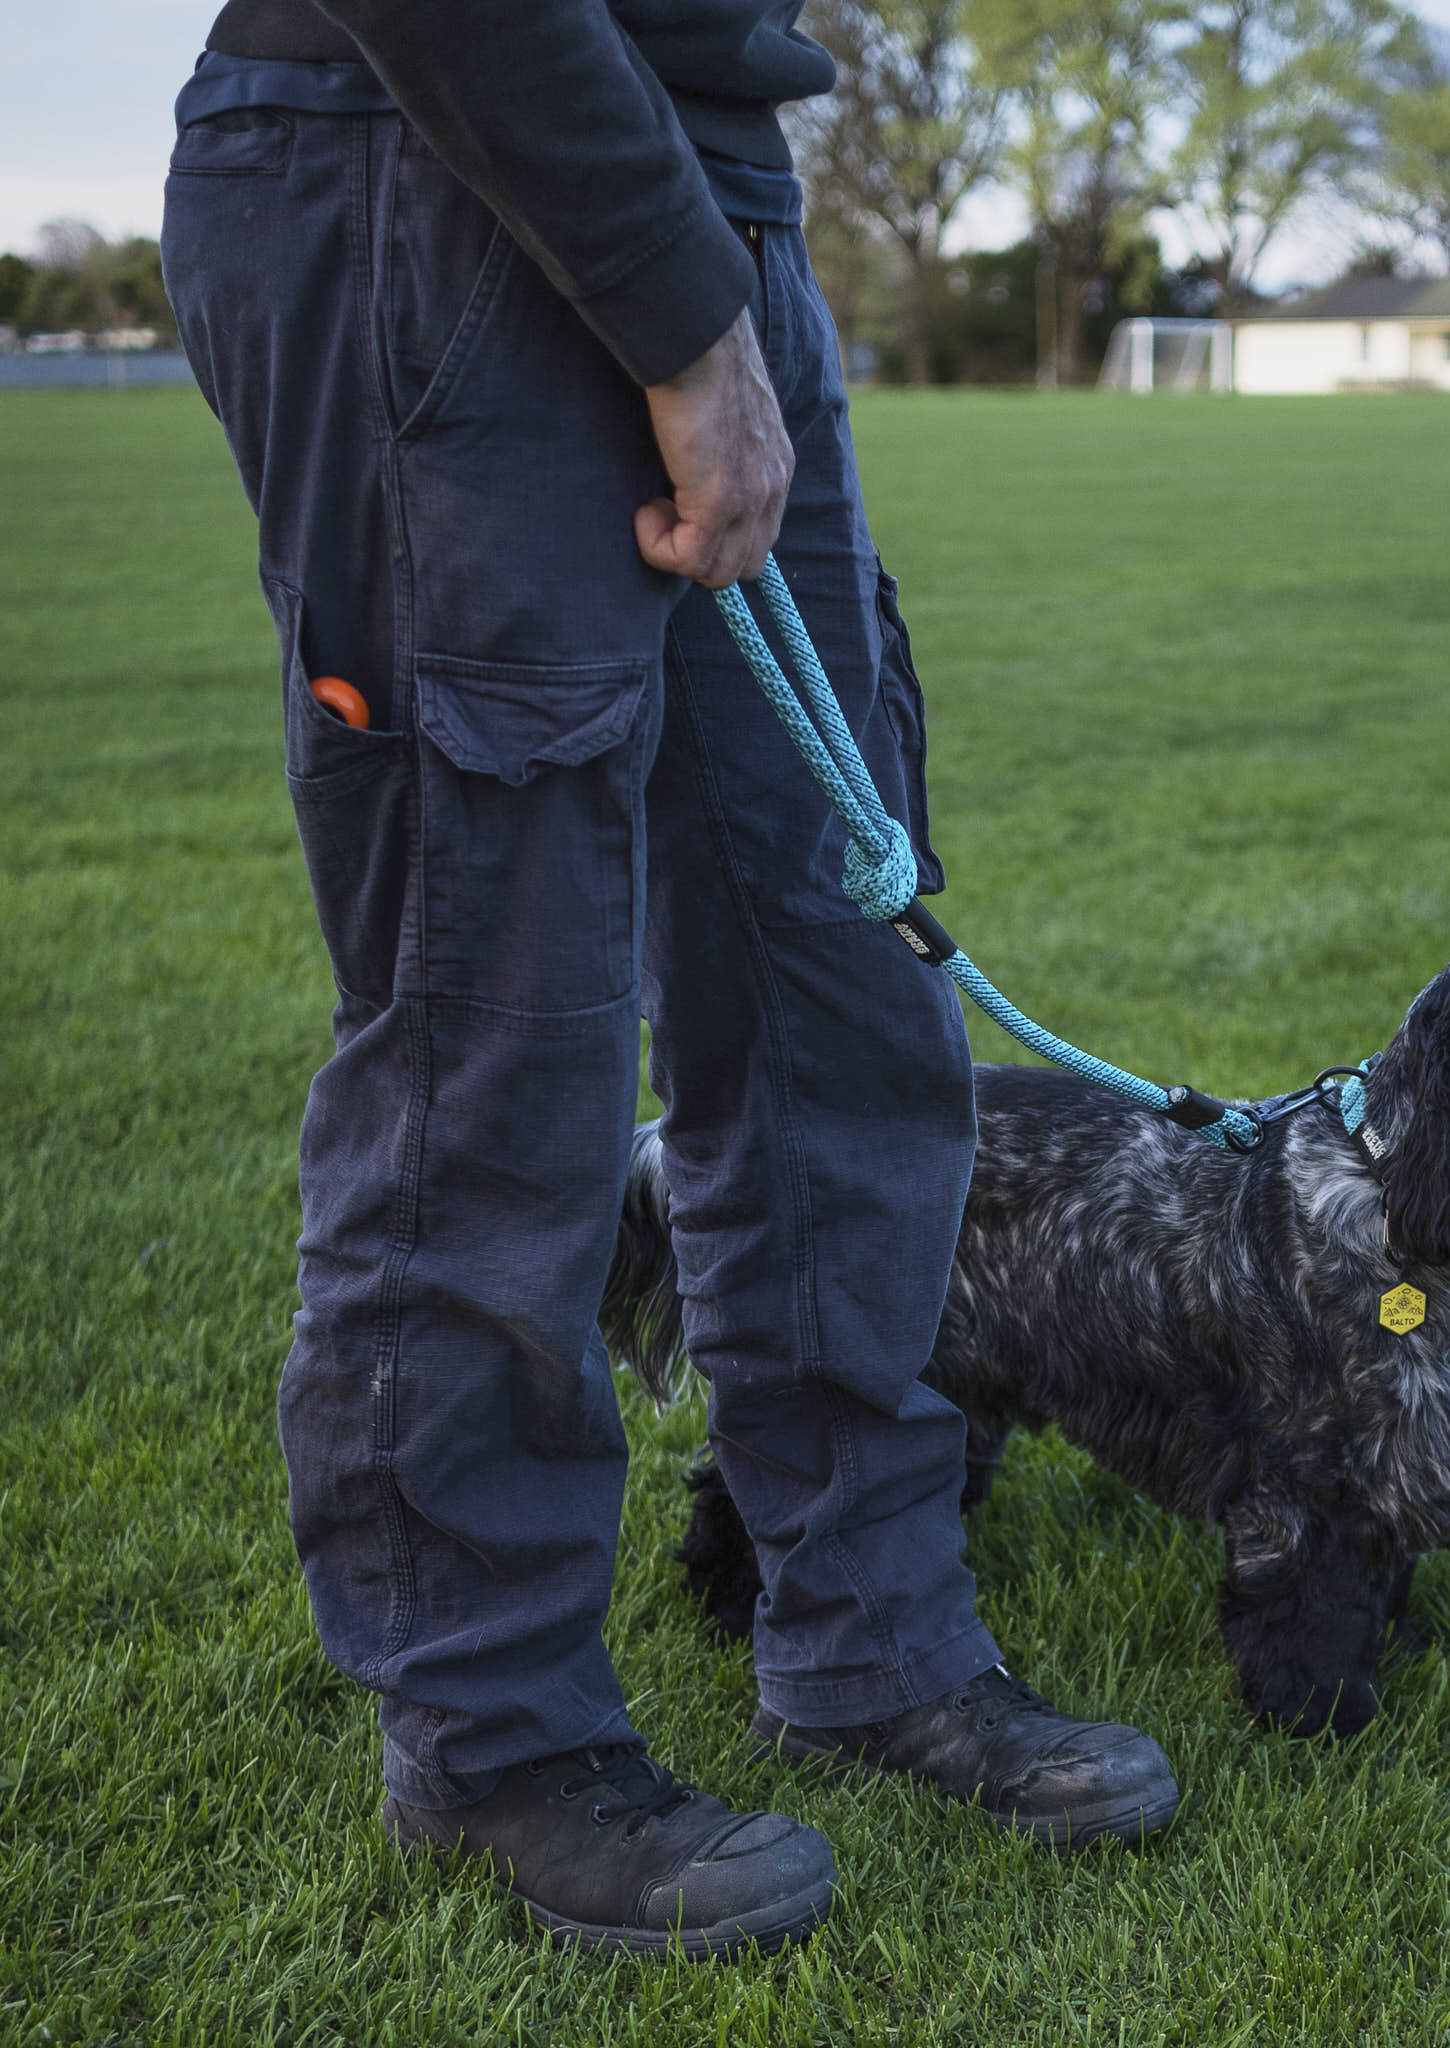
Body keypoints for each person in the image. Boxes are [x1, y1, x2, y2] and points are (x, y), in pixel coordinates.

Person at [161, 0, 1179, 1961]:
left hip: (715, 193)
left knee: (839, 985)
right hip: (439, 160)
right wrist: (676, 315)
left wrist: (718, 283)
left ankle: (873, 1632)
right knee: (501, 1033)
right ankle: (493, 1728)